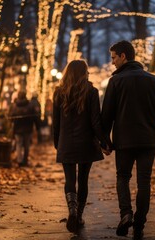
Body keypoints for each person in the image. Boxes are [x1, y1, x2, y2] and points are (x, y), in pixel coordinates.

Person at [101, 40, 155, 240]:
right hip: (148, 140)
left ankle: (126, 213)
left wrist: (105, 141)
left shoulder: (115, 82)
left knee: (122, 177)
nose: (113, 62)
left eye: (114, 57)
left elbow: (107, 114)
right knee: (144, 182)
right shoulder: (154, 80)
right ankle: (140, 223)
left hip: (124, 141)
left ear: (124, 56)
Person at [52, 59, 111, 233]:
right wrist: (104, 142)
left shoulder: (59, 92)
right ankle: (78, 216)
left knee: (69, 179)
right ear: (84, 73)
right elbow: (95, 122)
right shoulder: (91, 92)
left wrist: (58, 144)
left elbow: (56, 123)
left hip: (66, 143)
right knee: (83, 180)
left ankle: (71, 210)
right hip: (86, 143)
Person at [9, 91, 36, 167]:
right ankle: (25, 160)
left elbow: (11, 117)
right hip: (27, 129)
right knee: (26, 145)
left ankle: (19, 160)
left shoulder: (15, 106)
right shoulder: (30, 105)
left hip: (17, 129)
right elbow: (34, 117)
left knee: (19, 144)